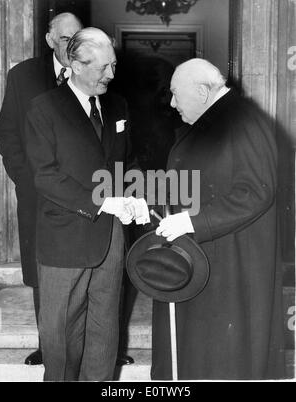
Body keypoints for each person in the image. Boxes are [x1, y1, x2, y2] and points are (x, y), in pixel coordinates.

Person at [24, 27, 146, 382]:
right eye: (101, 67)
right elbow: (45, 177)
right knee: (61, 338)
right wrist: (104, 203)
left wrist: (136, 194)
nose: (110, 74)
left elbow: (128, 161)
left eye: (113, 65)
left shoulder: (117, 104)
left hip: (110, 240)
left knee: (105, 331)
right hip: (65, 241)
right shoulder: (44, 108)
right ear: (75, 64)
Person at [154, 59, 285, 380]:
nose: (171, 103)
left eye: (175, 94)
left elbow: (256, 192)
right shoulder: (214, 119)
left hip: (232, 265)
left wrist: (191, 223)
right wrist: (149, 204)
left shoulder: (243, 120)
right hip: (209, 259)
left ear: (201, 91)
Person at [0, 12, 83, 366]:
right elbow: (7, 133)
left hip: (86, 194)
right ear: (49, 40)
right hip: (38, 195)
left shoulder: (96, 69)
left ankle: (94, 345)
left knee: (91, 267)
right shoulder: (24, 76)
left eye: (77, 39)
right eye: (65, 40)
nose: (73, 47)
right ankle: (49, 345)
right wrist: (27, 180)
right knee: (41, 268)